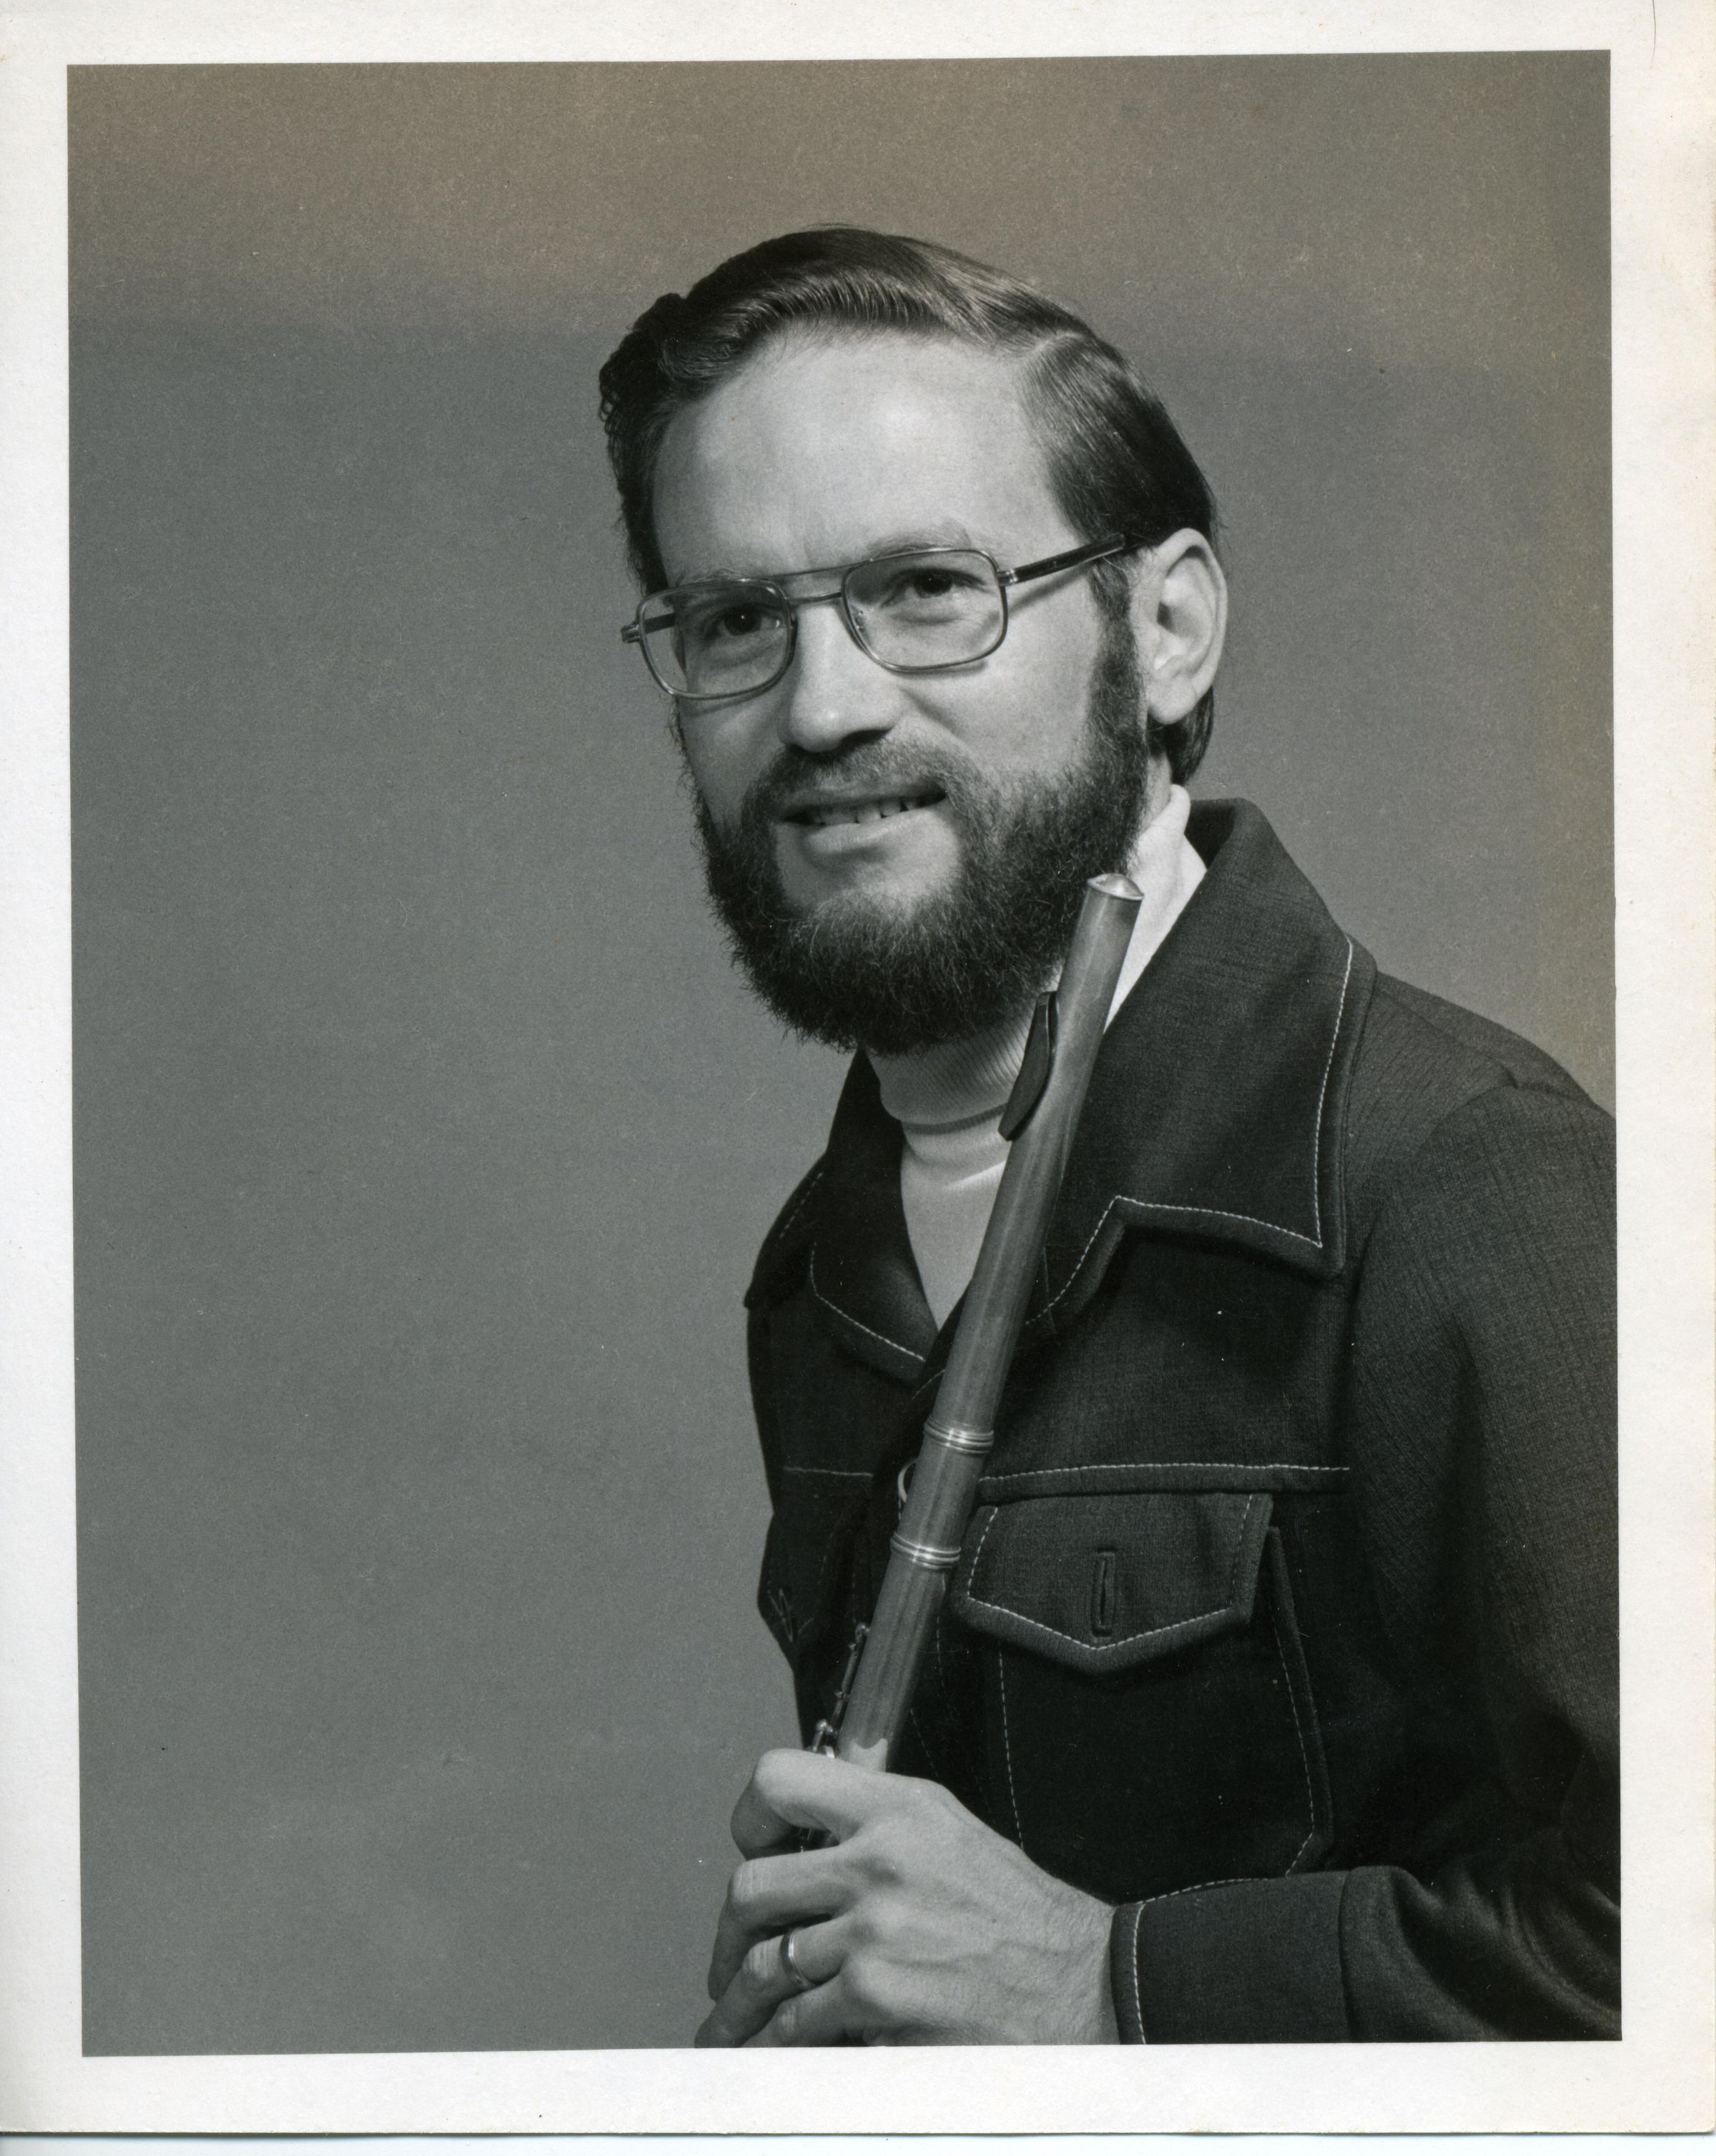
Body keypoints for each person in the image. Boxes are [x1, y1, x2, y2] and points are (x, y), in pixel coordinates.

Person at [598, 227, 1618, 2046]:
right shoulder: (823, 1270)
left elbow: (1672, 1952)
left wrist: (1106, 1981)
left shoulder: (1469, 1182)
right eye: (737, 621)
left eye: (929, 588)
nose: (823, 706)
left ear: (1166, 629)